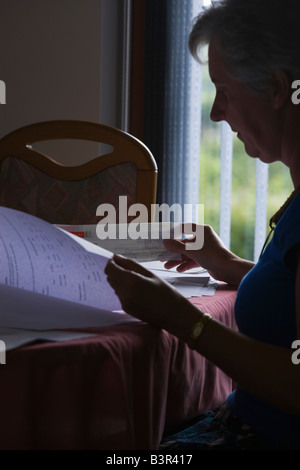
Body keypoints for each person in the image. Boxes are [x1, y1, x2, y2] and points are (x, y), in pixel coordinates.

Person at [105, 0, 300, 450]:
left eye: (224, 90)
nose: (215, 112)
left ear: (275, 88)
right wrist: (226, 263)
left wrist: (181, 319)